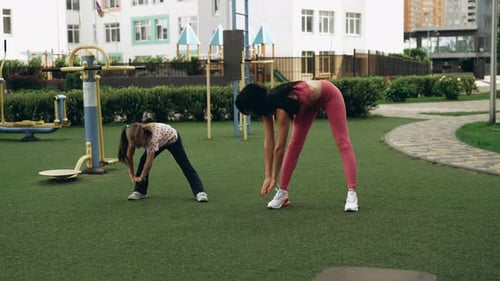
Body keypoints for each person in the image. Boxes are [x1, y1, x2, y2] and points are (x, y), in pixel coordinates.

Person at [235, 80, 358, 211]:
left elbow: (279, 147)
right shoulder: (265, 109)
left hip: (328, 94)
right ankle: (282, 193)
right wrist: (267, 176)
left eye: (250, 111)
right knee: (294, 145)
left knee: (342, 142)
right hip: (307, 105)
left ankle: (352, 193)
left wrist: (274, 178)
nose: (251, 114)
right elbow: (269, 142)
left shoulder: (281, 106)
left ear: (256, 104)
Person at [118, 122, 208, 202]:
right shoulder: (133, 137)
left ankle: (200, 192)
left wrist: (141, 177)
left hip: (172, 139)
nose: (137, 147)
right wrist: (132, 175)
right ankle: (140, 191)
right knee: (142, 161)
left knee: (184, 164)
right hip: (160, 139)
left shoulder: (151, 139)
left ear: (144, 138)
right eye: (134, 145)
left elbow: (148, 164)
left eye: (139, 145)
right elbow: (129, 158)